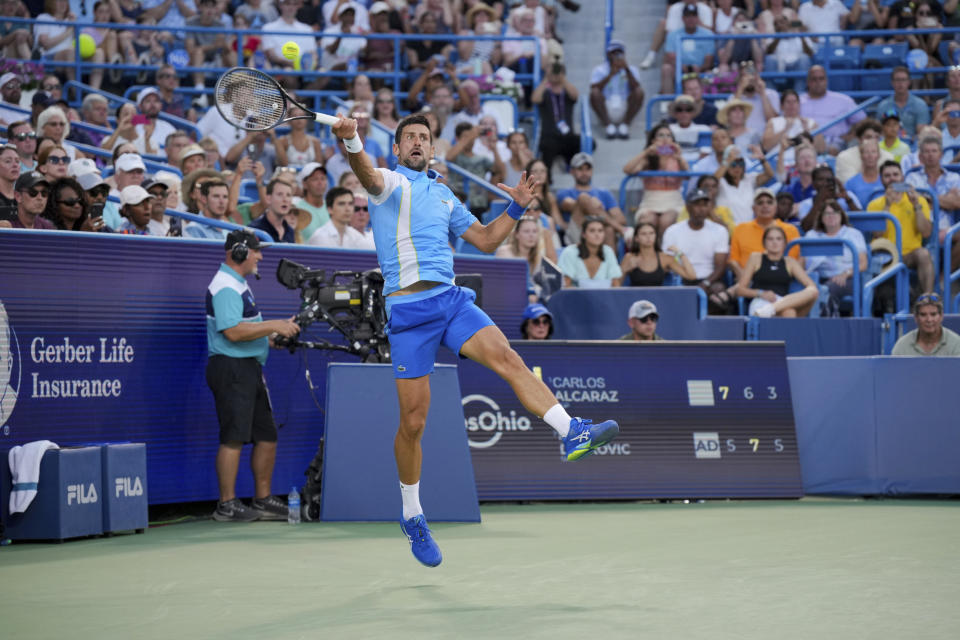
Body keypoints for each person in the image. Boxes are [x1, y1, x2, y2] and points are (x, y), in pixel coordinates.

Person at [331, 111, 619, 567]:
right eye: (409, 138)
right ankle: (412, 515)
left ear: (432, 146)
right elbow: (364, 173)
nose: (418, 143)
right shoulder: (388, 182)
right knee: (413, 424)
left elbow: (485, 240)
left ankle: (571, 431)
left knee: (509, 358)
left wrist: (517, 207)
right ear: (399, 148)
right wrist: (351, 141)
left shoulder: (444, 194)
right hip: (408, 313)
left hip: (451, 302)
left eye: (424, 137)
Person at [206, 229, 302, 522]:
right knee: (234, 437)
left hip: (248, 367)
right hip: (232, 368)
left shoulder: (237, 284)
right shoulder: (225, 286)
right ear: (238, 253)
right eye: (256, 250)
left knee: (266, 435)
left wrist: (274, 337)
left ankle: (262, 500)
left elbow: (245, 330)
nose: (260, 256)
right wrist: (274, 325)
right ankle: (227, 504)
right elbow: (233, 331)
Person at [867, 160, 934, 294]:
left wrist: (916, 205)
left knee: (924, 254)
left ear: (902, 177)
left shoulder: (919, 200)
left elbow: (926, 233)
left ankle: (928, 298)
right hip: (885, 254)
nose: (892, 178)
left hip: (910, 254)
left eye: (895, 174)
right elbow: (877, 234)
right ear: (881, 180)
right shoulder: (874, 204)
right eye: (887, 175)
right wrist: (887, 205)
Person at [663, 188, 731, 306]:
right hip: (680, 279)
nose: (701, 209)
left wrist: (705, 284)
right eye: (697, 205)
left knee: (719, 294)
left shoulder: (720, 231)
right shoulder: (672, 231)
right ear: (688, 207)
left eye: (705, 205)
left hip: (709, 280)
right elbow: (667, 262)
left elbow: (720, 267)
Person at [735, 225, 819, 317]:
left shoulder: (790, 262)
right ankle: (766, 311)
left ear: (784, 243)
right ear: (764, 243)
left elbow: (811, 286)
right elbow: (740, 290)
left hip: (782, 302)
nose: (775, 242)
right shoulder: (756, 258)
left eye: (779, 239)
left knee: (812, 291)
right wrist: (760, 293)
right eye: (770, 239)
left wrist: (793, 300)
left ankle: (770, 309)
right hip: (760, 302)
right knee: (789, 312)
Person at [803, 199, 869, 316]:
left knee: (827, 289)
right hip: (816, 277)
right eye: (827, 213)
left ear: (841, 215)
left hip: (848, 278)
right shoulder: (812, 235)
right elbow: (802, 261)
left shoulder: (853, 234)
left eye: (835, 213)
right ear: (821, 217)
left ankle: (828, 324)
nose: (831, 216)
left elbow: (863, 264)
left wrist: (845, 274)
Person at [729, 188, 801, 281]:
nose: (765, 206)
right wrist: (745, 280)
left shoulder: (790, 230)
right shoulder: (740, 229)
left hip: (782, 282)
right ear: (753, 208)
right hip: (749, 282)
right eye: (760, 203)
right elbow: (733, 260)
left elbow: (795, 259)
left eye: (769, 202)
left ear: (775, 207)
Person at [557, 152, 626, 247]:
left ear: (592, 171)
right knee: (583, 197)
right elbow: (571, 204)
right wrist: (590, 203)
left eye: (587, 169)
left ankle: (610, 262)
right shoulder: (564, 193)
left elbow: (621, 219)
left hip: (601, 234)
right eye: (580, 169)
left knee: (609, 230)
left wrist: (598, 212)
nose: (584, 173)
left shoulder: (604, 193)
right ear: (572, 171)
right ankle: (623, 230)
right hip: (578, 233)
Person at [800, 66, 864, 153]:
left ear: (826, 81)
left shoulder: (843, 100)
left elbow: (863, 121)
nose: (818, 82)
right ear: (808, 82)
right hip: (805, 143)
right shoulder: (798, 102)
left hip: (835, 144)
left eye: (821, 79)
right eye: (814, 79)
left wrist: (851, 135)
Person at [531, 62, 581, 175]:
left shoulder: (566, 91)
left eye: (558, 71)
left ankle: (571, 166)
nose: (556, 74)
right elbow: (535, 99)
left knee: (585, 142)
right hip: (549, 137)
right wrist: (546, 78)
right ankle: (547, 179)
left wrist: (562, 79)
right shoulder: (545, 91)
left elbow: (575, 95)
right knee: (547, 148)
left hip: (567, 136)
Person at [590, 39, 645, 140]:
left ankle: (625, 125)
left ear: (623, 54)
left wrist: (626, 69)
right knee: (594, 93)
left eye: (619, 53)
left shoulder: (631, 69)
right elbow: (594, 89)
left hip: (624, 104)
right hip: (607, 105)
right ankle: (608, 126)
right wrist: (610, 75)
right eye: (613, 53)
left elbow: (636, 87)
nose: (616, 56)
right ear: (608, 54)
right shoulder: (599, 69)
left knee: (639, 92)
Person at [496, 212, 552, 302]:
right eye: (526, 231)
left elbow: (542, 285)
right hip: (507, 300)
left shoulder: (539, 257)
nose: (531, 235)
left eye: (535, 231)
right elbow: (506, 284)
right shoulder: (504, 252)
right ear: (516, 234)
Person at [620, 221, 696, 286]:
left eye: (651, 233)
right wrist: (625, 270)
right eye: (643, 234)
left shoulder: (665, 258)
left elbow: (691, 276)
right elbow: (615, 285)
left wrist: (680, 254)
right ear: (636, 238)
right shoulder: (629, 257)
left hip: (658, 300)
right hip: (635, 301)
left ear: (656, 236)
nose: (648, 236)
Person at [661, 3, 715, 94]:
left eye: (693, 16)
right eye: (687, 16)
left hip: (701, 70)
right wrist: (683, 67)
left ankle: (706, 103)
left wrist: (699, 68)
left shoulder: (708, 34)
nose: (691, 19)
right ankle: (668, 102)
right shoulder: (673, 35)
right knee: (666, 68)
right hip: (679, 70)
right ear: (683, 18)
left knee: (709, 74)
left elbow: (709, 60)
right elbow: (670, 57)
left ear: (698, 18)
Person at [715, 144, 775, 225]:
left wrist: (762, 158)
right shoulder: (721, 182)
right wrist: (728, 161)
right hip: (727, 230)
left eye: (740, 164)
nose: (737, 167)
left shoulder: (749, 179)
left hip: (747, 230)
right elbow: (712, 182)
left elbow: (769, 175)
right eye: (733, 164)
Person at [559, 216, 623, 288]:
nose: (597, 234)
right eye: (592, 231)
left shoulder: (608, 251)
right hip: (575, 297)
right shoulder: (570, 252)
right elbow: (565, 285)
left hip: (603, 298)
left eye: (600, 231)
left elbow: (615, 284)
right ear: (583, 234)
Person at [891, 293, 960, 356]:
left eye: (933, 314)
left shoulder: (956, 344)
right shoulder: (902, 345)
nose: (929, 320)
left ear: (941, 316)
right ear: (916, 318)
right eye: (923, 315)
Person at [874, 66, 931, 141]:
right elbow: (879, 132)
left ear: (909, 82)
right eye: (897, 80)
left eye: (903, 80)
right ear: (892, 83)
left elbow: (922, 133)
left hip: (912, 146)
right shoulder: (883, 106)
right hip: (888, 146)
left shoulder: (920, 105)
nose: (900, 83)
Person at [305, 185, 369, 249]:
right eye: (341, 204)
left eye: (350, 204)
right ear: (330, 209)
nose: (347, 209)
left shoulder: (356, 237)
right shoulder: (319, 237)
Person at [249, 178, 297, 243]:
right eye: (280, 194)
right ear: (268, 198)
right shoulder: (255, 229)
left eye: (288, 195)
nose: (285, 199)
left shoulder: (290, 231)